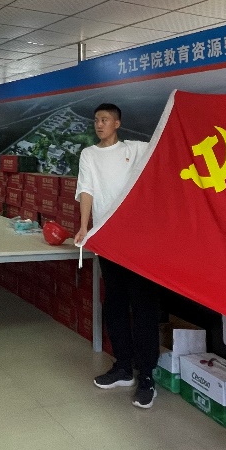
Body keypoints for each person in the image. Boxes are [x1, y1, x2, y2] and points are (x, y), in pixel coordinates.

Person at [73, 103, 157, 409]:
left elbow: (166, 148)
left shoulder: (134, 149)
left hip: (138, 242)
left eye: (105, 119)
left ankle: (146, 376)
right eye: (96, 120)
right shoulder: (88, 155)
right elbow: (87, 190)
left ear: (117, 123)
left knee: (143, 307)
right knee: (115, 304)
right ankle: (123, 367)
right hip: (107, 240)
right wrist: (84, 227)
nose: (99, 124)